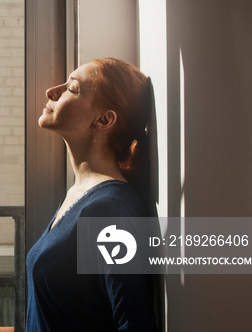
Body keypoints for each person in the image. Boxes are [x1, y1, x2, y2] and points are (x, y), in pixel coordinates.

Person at [26, 58, 159, 332]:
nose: (52, 90)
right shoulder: (80, 194)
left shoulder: (110, 210)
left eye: (71, 88)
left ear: (104, 119)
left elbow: (135, 323)